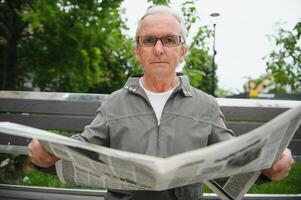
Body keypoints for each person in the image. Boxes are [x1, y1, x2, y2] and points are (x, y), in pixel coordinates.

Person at [28, 5, 294, 200]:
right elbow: (83, 150)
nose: (158, 49)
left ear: (182, 51)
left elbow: (232, 161)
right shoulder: (114, 103)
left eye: (169, 40)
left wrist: (268, 167)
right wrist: (47, 154)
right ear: (137, 50)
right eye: (148, 40)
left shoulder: (207, 105)